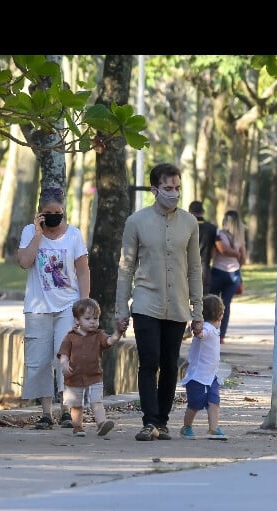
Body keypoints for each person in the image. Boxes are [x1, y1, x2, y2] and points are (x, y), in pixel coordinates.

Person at [115, 162, 204, 442]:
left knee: (169, 364)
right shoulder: (136, 222)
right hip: (145, 302)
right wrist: (121, 309)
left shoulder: (190, 223)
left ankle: (162, 422)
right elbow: (126, 268)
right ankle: (149, 422)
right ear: (154, 189)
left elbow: (194, 268)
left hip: (177, 305)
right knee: (149, 361)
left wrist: (198, 310)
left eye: (177, 188)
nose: (173, 193)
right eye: (167, 188)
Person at [17, 186, 91, 430]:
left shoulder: (74, 235)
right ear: (39, 213)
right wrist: (38, 234)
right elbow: (25, 262)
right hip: (38, 307)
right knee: (38, 361)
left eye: (57, 212)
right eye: (48, 213)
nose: (53, 216)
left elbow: (82, 270)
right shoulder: (29, 232)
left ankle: (66, 410)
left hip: (67, 306)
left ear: (64, 211)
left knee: (65, 358)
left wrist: (84, 304)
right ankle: (46, 412)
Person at [57, 298, 121, 437]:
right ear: (77, 320)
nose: (93, 321)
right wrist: (64, 364)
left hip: (94, 376)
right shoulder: (70, 337)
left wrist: (118, 333)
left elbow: (110, 341)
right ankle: (78, 427)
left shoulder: (99, 335)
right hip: (74, 377)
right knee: (76, 405)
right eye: (88, 318)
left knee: (96, 401)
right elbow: (63, 354)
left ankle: (102, 423)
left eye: (95, 318)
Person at [180, 294, 228, 440]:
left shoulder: (212, 329)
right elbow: (202, 334)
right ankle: (186, 427)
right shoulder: (207, 329)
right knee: (195, 404)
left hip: (211, 376)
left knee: (214, 401)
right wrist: (198, 330)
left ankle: (213, 428)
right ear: (220, 315)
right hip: (197, 376)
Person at [210, 209, 247, 344]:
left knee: (212, 303)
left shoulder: (219, 234)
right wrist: (237, 260)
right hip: (234, 274)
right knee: (226, 305)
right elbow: (243, 257)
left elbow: (220, 250)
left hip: (218, 271)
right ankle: (221, 335)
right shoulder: (240, 237)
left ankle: (211, 330)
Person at [183, 200, 218, 339]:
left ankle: (186, 327)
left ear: (190, 211)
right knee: (202, 299)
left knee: (184, 298)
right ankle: (200, 326)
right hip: (204, 266)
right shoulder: (211, 228)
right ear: (203, 212)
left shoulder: (184, 226)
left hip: (186, 266)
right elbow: (215, 250)